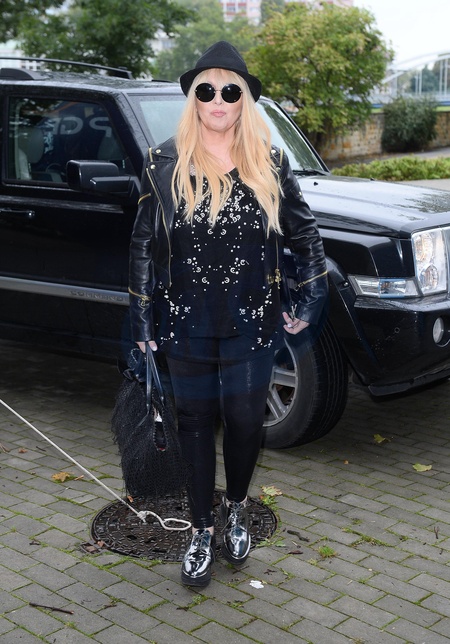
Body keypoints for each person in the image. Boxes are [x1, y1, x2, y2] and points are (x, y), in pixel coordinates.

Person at [128, 41, 328, 587]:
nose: (218, 100)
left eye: (230, 90)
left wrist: (309, 300)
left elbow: (306, 234)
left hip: (252, 321)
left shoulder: (270, 162)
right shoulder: (163, 161)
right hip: (184, 321)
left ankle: (235, 506)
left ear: (245, 100)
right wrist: (141, 321)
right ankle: (199, 529)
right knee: (193, 424)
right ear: (194, 98)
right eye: (207, 90)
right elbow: (143, 243)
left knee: (244, 422)